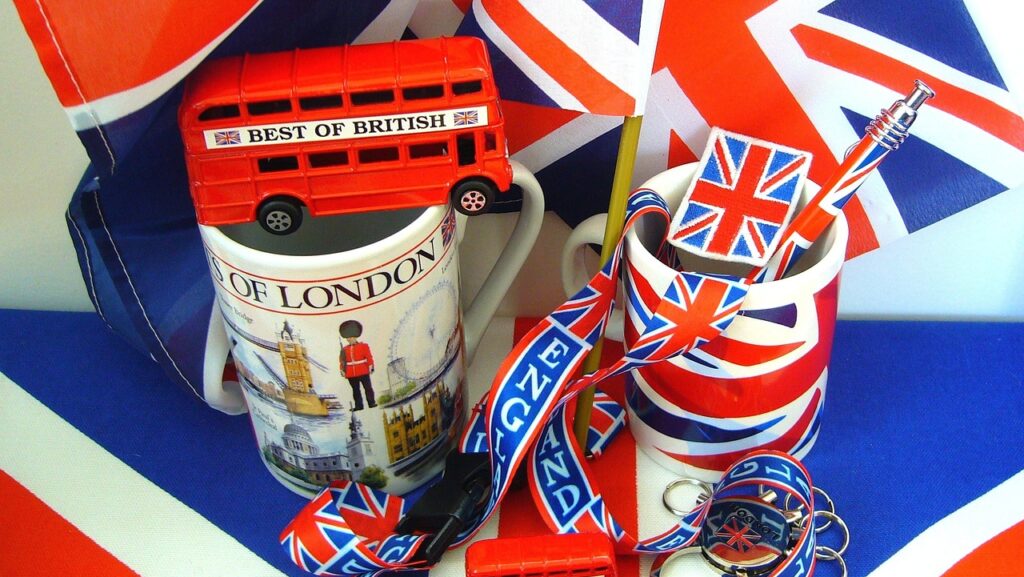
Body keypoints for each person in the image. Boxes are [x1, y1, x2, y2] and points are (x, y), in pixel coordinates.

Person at [339, 320, 376, 411]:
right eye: (347, 338)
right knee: (356, 391)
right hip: (351, 373)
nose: (348, 339)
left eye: (350, 337)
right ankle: (359, 406)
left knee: (368, 388)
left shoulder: (364, 346)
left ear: (354, 337)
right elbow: (342, 361)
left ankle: (371, 403)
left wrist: (371, 366)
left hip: (363, 370)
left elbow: (369, 357)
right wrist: (342, 370)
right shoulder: (344, 349)